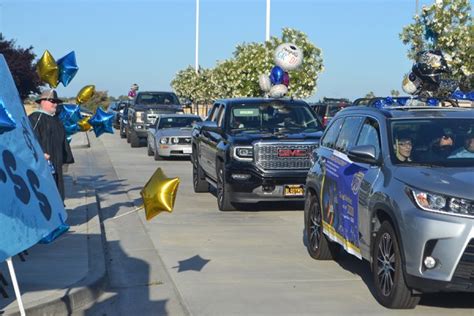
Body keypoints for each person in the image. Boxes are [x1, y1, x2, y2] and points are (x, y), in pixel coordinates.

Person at [29, 90, 74, 201]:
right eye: (51, 101)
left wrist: (65, 158)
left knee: (57, 192)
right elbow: (29, 140)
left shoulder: (57, 121)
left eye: (56, 101)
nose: (55, 104)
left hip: (56, 163)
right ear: (42, 101)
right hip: (42, 164)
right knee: (44, 194)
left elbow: (63, 141)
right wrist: (39, 153)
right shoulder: (34, 119)